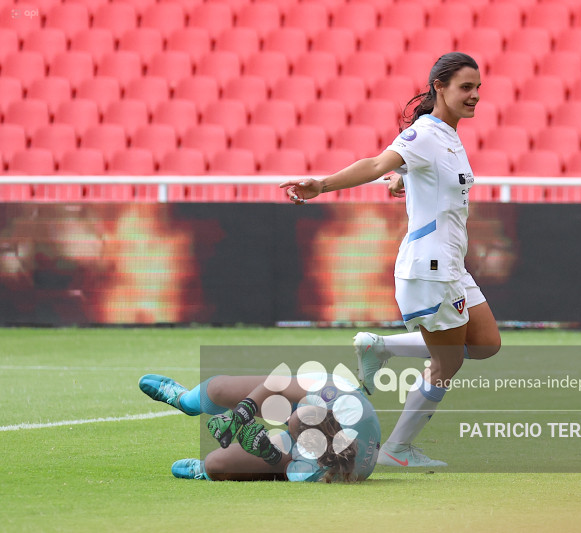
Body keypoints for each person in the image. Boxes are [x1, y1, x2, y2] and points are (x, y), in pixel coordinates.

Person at [280, 52, 502, 468]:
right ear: (439, 87)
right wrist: (321, 185)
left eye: (477, 88)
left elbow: (423, 175)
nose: (474, 96)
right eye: (465, 87)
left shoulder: (448, 136)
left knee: (486, 343)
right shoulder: (425, 134)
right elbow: (375, 163)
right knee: (448, 362)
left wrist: (405, 179)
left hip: (452, 266)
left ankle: (380, 347)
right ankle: (397, 450)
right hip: (431, 269)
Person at [138, 372, 381, 483]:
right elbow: (277, 383)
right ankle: (185, 400)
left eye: (295, 430)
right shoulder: (338, 396)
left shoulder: (316, 472)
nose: (289, 420)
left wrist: (266, 450)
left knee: (215, 465)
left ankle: (201, 470)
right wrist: (244, 411)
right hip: (316, 397)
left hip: (313, 454)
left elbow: (284, 467)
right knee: (219, 390)